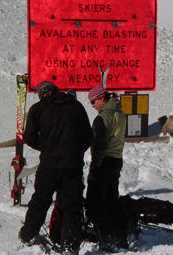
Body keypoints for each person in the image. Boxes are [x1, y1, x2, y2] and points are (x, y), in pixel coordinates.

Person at [19, 81, 92, 254]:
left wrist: (46, 146)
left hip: (49, 164)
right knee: (72, 206)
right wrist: (74, 151)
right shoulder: (75, 106)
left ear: (42, 94)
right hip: (73, 165)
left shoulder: (37, 109)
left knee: (40, 200)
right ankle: (70, 245)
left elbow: (28, 137)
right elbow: (88, 136)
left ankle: (28, 234)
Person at [85, 85, 128, 251]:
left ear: (102, 98)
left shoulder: (102, 118)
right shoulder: (120, 113)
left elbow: (99, 145)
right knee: (111, 200)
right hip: (117, 159)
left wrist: (95, 164)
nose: (92, 105)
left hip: (104, 162)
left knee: (94, 204)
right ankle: (121, 234)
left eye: (93, 101)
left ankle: (108, 236)